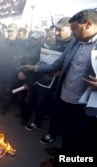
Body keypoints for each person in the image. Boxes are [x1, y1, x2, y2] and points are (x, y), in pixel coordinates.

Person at [22, 8, 97, 167]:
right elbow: (58, 64)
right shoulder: (74, 42)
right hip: (64, 96)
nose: (72, 32)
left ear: (89, 24)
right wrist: (35, 68)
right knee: (65, 132)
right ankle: (62, 154)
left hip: (83, 105)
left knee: (78, 139)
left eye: (75, 28)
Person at [25, 17, 72, 146]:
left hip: (60, 84)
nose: (56, 33)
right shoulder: (54, 43)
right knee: (40, 102)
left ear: (70, 29)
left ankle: (51, 134)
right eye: (56, 30)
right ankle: (37, 122)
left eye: (60, 30)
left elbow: (76, 66)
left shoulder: (73, 44)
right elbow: (47, 57)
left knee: (55, 110)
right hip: (44, 79)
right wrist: (40, 64)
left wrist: (61, 72)